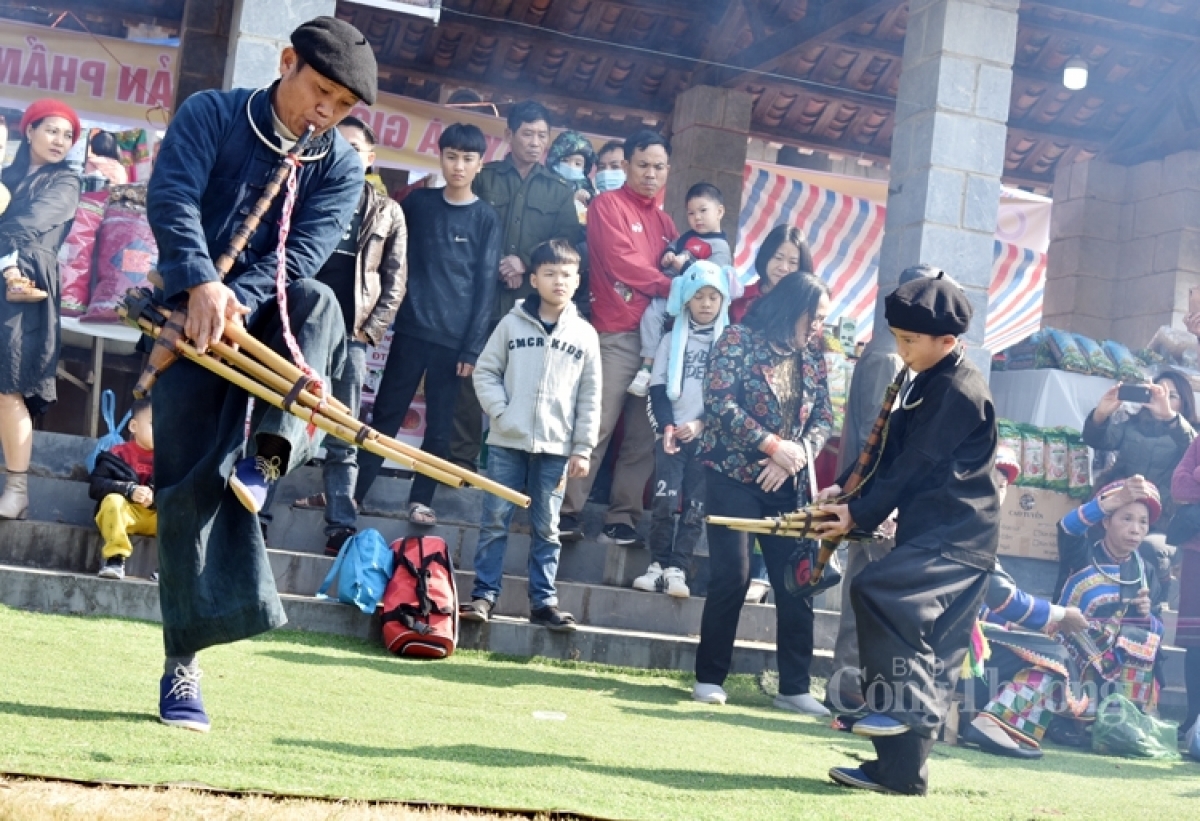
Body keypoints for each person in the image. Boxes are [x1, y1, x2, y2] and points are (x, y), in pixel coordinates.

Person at [145, 15, 375, 732]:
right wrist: (198, 285)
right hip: (185, 320)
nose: (326, 112)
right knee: (189, 487)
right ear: (285, 62)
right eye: (320, 91)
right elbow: (172, 197)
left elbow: (302, 253)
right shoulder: (211, 114)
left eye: (342, 105)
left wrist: (231, 297)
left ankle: (270, 453)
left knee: (321, 302)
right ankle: (182, 663)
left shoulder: (340, 165)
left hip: (268, 317)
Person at [815, 271, 999, 797]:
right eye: (897, 338)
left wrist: (860, 514)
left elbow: (915, 462)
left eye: (910, 340)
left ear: (948, 341)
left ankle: (910, 709)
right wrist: (847, 492)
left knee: (878, 590)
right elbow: (889, 452)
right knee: (923, 649)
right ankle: (899, 775)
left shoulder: (960, 389)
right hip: (934, 531)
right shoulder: (926, 379)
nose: (902, 350)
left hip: (959, 538)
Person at [266, 115, 408, 556]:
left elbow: (395, 281)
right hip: (300, 331)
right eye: (337, 146)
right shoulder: (305, 191)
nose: (345, 154)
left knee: (344, 434)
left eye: (355, 148)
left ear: (370, 158)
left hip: (351, 335)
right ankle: (257, 516)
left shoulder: (388, 210)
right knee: (281, 418)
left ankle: (341, 526)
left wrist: (367, 333)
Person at [693, 272, 833, 717]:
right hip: (732, 475)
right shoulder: (738, 339)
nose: (819, 328)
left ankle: (794, 686)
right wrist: (772, 445)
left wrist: (794, 455)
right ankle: (709, 677)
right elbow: (719, 401)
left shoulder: (813, 358)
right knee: (732, 575)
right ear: (794, 309)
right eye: (815, 318)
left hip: (786, 482)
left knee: (796, 581)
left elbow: (824, 419)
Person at [351, 123, 500, 527]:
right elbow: (393, 258)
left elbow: (485, 286)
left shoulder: (486, 218)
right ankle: (355, 493)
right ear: (440, 157)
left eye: (467, 159)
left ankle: (421, 500)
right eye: (451, 156)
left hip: (454, 341)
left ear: (480, 164)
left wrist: (472, 347)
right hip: (411, 329)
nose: (458, 166)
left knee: (440, 425)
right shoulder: (418, 204)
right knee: (386, 414)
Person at [459, 239, 600, 631]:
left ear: (577, 281)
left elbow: (591, 396)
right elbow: (486, 371)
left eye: (567, 274)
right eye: (550, 273)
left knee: (548, 526)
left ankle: (543, 602)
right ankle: (484, 595)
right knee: (495, 519)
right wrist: (502, 412)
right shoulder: (511, 323)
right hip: (507, 442)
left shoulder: (585, 335)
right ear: (533, 279)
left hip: (556, 447)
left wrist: (583, 448)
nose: (559, 281)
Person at [971, 477, 1168, 754]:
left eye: (1143, 522)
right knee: (1057, 661)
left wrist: (1146, 616)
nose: (1136, 529)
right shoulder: (1081, 553)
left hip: (1112, 660)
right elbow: (1068, 526)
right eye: (1126, 518)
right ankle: (1056, 718)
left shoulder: (1145, 570)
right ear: (1106, 521)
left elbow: (1155, 625)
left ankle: (1118, 720)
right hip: (1067, 646)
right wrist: (1113, 500)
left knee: (1143, 639)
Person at [825, 263, 940, 710]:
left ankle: (858, 687)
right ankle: (850, 687)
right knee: (868, 595)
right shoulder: (889, 357)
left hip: (883, 498)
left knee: (873, 593)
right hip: (876, 500)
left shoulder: (903, 353)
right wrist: (884, 502)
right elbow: (879, 438)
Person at [558, 130, 677, 546]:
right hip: (616, 335)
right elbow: (620, 262)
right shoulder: (606, 205)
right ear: (626, 165)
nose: (650, 174)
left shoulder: (666, 223)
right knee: (595, 426)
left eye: (658, 167)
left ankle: (622, 517)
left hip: (659, 344)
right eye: (642, 165)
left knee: (643, 438)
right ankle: (565, 510)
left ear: (668, 170)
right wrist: (672, 286)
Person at [449, 101, 580, 472]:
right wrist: (494, 263)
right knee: (470, 378)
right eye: (528, 134)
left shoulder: (559, 190)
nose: (535, 142)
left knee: (524, 383)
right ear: (509, 135)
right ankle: (460, 462)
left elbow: (568, 243)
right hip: (480, 300)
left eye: (542, 136)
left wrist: (525, 261)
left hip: (530, 305)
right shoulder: (485, 177)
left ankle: (511, 467)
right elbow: (463, 227)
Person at [953, 446, 1091, 760]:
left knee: (1038, 643)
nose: (996, 494)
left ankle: (989, 719)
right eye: (989, 484)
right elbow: (1004, 598)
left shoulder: (963, 523)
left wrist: (1029, 623)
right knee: (1054, 656)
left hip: (943, 633)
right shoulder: (969, 530)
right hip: (947, 644)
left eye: (1002, 487)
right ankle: (994, 724)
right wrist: (1060, 615)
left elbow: (984, 601)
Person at [0, 99, 82, 520]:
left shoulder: (66, 182)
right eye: (51, 130)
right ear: (29, 130)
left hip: (29, 283)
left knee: (9, 385)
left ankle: (17, 490)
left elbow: (26, 224)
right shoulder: (6, 176)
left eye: (67, 135)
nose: (59, 141)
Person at [634, 261, 730, 599]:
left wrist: (702, 423)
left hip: (708, 440)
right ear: (686, 299)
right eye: (698, 296)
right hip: (671, 437)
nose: (706, 304)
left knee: (695, 506)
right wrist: (667, 427)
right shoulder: (670, 340)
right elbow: (657, 388)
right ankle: (657, 564)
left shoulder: (728, 345)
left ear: (723, 301)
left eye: (713, 297)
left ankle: (679, 568)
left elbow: (731, 397)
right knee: (664, 500)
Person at [628, 182, 733, 398]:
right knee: (651, 315)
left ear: (719, 211)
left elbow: (712, 278)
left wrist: (683, 267)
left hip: (693, 302)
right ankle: (647, 365)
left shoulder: (720, 247)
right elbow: (673, 246)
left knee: (678, 339)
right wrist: (668, 254)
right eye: (691, 213)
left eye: (703, 211)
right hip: (669, 292)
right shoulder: (688, 236)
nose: (697, 218)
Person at [1083, 369, 1196, 533]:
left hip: (1163, 518)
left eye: (1170, 396)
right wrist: (1101, 414)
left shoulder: (1189, 432)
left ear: (1185, 402)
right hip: (1122, 508)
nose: (1162, 400)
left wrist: (1170, 418)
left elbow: (1194, 450)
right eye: (1157, 394)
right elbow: (1097, 440)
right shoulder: (1133, 424)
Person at [90, 397, 155, 581]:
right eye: (154, 424)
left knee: (184, 508)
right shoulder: (117, 454)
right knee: (112, 501)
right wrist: (128, 490)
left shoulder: (170, 459)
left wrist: (156, 496)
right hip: (126, 513)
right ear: (134, 426)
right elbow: (96, 485)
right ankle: (115, 559)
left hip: (156, 517)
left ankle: (170, 569)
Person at [728, 225, 813, 323]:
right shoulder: (740, 298)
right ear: (765, 257)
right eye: (778, 258)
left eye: (793, 262)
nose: (783, 268)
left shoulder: (805, 307)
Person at [545, 130, 597, 213]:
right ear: (555, 160)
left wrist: (588, 196)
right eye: (565, 160)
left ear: (584, 168)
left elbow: (595, 204)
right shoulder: (546, 181)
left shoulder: (586, 184)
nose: (571, 166)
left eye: (578, 163)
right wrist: (571, 199)